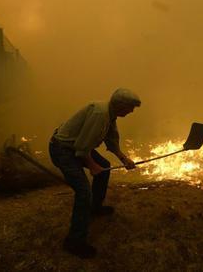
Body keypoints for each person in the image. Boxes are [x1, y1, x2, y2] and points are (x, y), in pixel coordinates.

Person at [49, 88, 140, 258]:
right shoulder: (100, 115)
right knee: (84, 192)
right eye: (130, 107)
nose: (131, 111)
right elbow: (82, 149)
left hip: (76, 147)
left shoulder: (110, 114)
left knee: (104, 166)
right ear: (120, 105)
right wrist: (92, 165)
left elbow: (111, 141)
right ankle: (74, 242)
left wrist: (123, 159)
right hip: (63, 149)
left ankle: (95, 208)